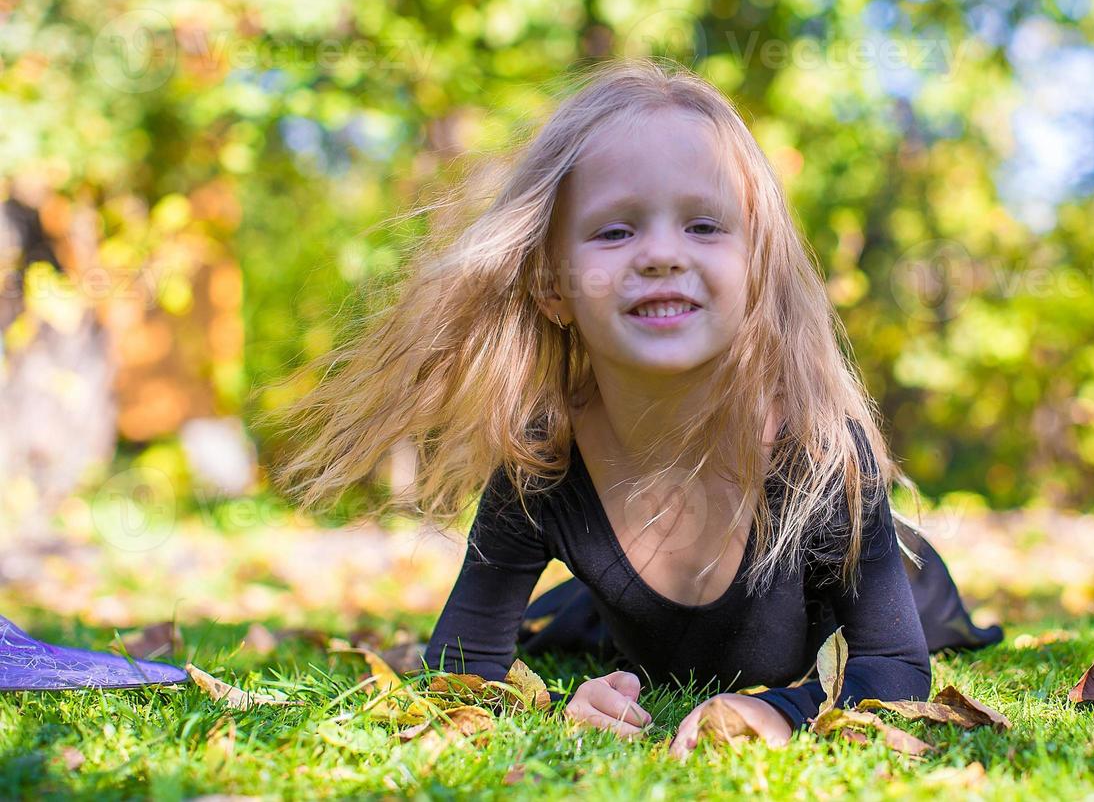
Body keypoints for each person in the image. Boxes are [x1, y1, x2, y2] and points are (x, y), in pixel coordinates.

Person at [271, 58, 1001, 758]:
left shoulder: (818, 450)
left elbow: (895, 668)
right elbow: (462, 662)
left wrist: (779, 710)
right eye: (616, 230)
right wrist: (566, 708)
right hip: (636, 620)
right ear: (552, 287)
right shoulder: (543, 463)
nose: (660, 254)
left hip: (902, 582)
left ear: (757, 274)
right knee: (572, 630)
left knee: (917, 602)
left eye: (704, 226)